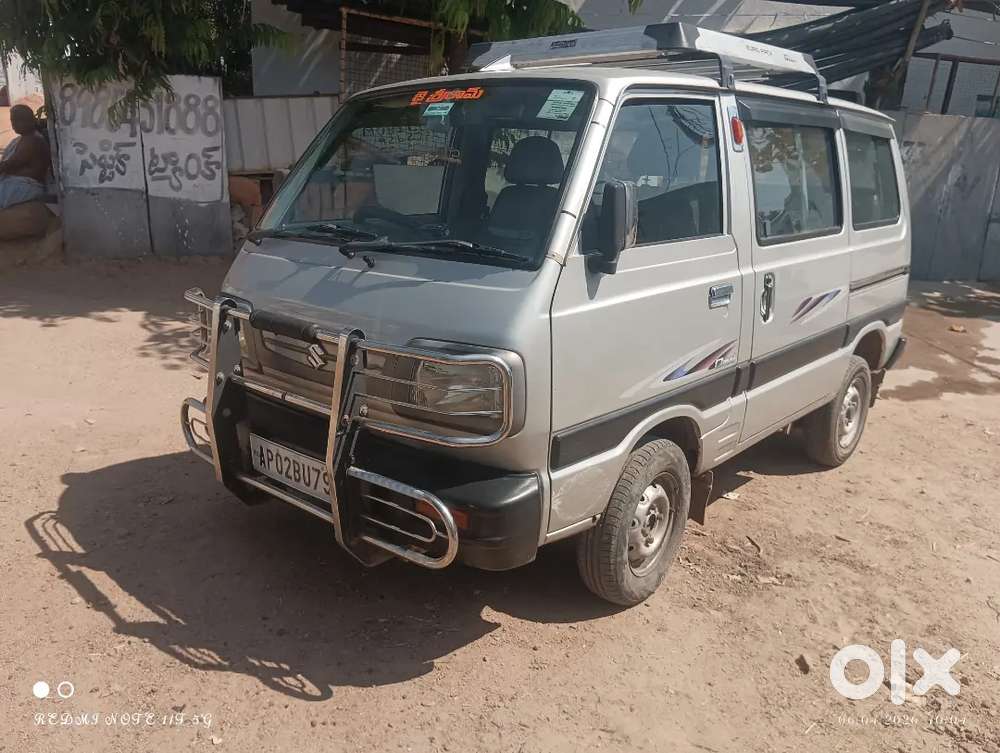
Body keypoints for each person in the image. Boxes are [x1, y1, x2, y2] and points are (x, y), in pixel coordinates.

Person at [0, 105, 50, 210]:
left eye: (18, 120)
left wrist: (7, 170)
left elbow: (8, 165)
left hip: (25, 187)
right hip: (15, 183)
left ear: (31, 121)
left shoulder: (33, 140)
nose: (14, 124)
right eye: (12, 120)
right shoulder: (22, 139)